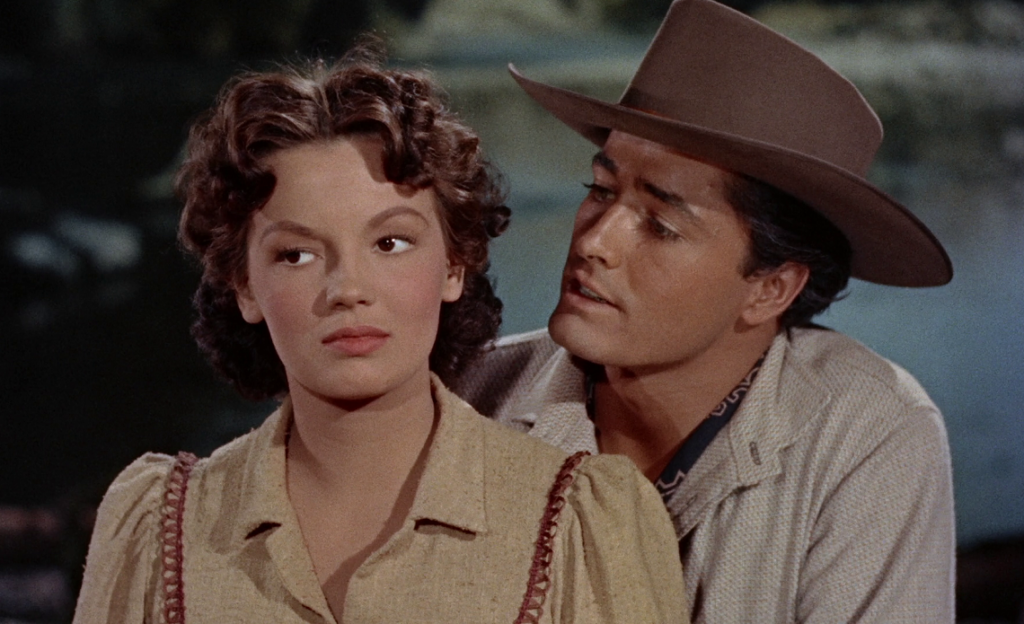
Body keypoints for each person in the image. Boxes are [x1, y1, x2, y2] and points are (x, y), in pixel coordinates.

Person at [72, 45, 688, 623]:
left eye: (390, 243)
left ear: (454, 265)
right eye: (296, 254)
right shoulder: (160, 532)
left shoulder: (582, 522)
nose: (348, 288)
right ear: (245, 286)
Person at [453, 0, 956, 621]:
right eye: (600, 190)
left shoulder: (866, 435)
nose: (595, 241)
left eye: (660, 225)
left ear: (771, 288)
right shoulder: (470, 394)